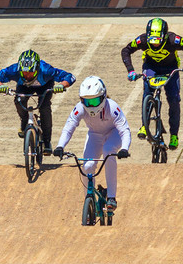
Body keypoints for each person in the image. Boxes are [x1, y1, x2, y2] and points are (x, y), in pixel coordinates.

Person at [120, 16, 183, 150]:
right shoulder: (143, 40)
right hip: (151, 68)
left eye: (158, 41)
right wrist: (131, 71)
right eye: (152, 41)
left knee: (174, 99)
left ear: (163, 37)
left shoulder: (173, 39)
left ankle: (174, 135)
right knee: (147, 93)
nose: (155, 44)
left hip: (170, 69)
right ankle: (144, 125)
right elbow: (126, 50)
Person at [52, 76, 132, 212]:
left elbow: (125, 131)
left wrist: (124, 148)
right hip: (94, 135)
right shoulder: (79, 109)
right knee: (87, 166)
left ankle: (111, 196)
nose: (91, 106)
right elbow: (68, 128)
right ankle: (88, 201)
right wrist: (60, 146)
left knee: (108, 150)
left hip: (113, 134)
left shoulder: (112, 107)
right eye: (87, 102)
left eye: (94, 101)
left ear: (103, 97)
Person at [0, 49, 75, 143]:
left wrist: (61, 85)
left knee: (44, 108)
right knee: (19, 100)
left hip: (45, 86)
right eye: (24, 73)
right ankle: (24, 121)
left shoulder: (46, 70)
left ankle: (46, 141)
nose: (27, 76)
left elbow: (69, 76)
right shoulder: (14, 70)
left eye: (30, 73)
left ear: (37, 69)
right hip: (24, 86)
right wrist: (1, 86)